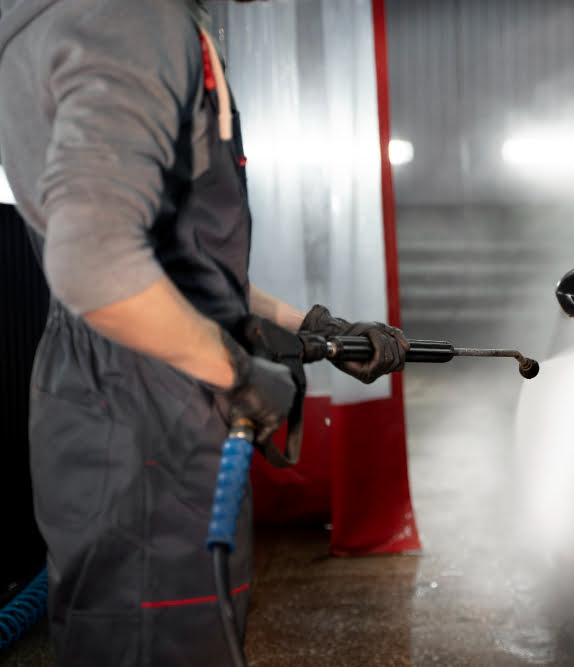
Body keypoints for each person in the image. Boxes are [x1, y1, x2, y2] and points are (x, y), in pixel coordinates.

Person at [0, 0, 409, 663]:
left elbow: (163, 261)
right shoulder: (129, 19)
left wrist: (311, 328)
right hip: (149, 427)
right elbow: (96, 260)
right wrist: (239, 375)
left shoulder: (80, 15)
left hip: (119, 409)